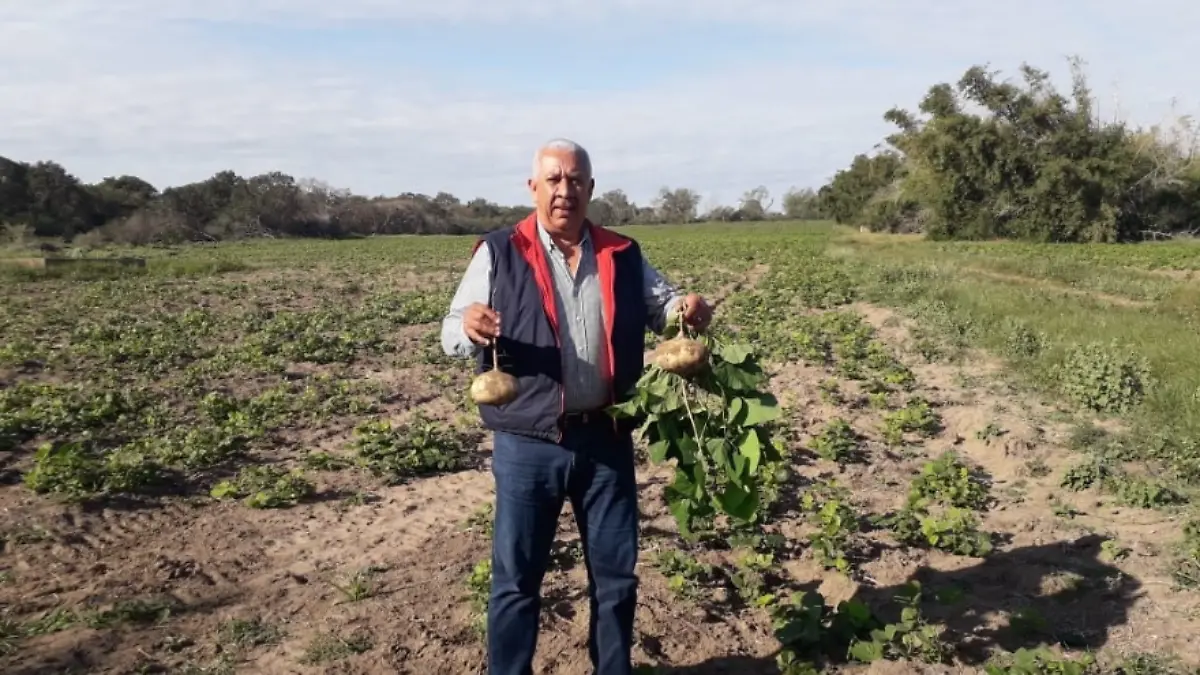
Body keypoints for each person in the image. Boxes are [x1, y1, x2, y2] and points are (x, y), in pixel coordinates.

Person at [440, 138, 712, 675]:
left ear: (591, 187)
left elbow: (665, 306)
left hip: (605, 440)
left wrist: (690, 308)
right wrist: (469, 327)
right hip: (527, 443)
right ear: (534, 187)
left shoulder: (622, 252)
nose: (565, 191)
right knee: (516, 581)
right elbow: (451, 330)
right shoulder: (499, 251)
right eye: (554, 180)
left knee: (616, 578)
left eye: (576, 180)